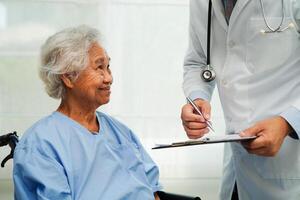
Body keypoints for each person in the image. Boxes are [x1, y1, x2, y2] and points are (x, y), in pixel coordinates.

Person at [13, 25, 162, 200]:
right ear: (69, 77)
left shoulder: (120, 131)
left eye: (108, 67)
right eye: (99, 68)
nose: (109, 78)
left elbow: (153, 190)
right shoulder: (40, 144)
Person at [181, 0, 300, 199]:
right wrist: (197, 98)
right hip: (237, 167)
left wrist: (288, 122)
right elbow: (198, 61)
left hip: (290, 165)